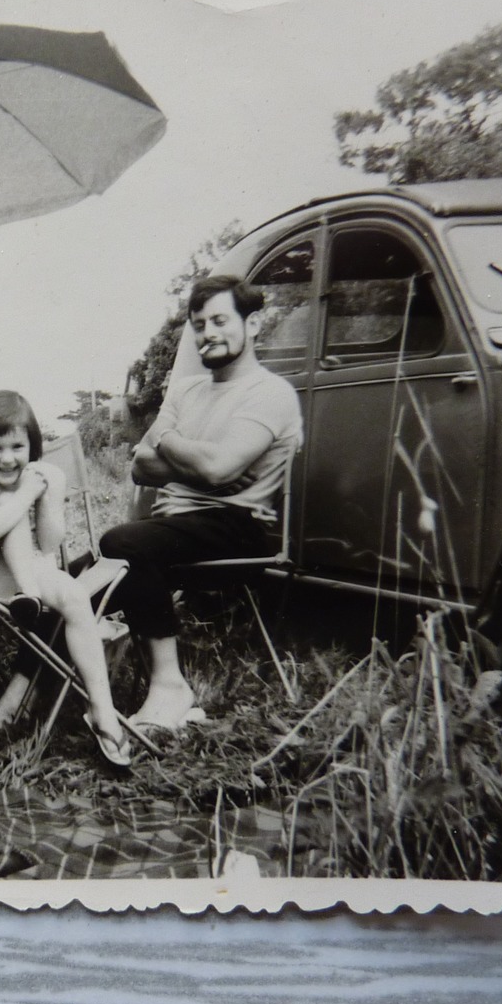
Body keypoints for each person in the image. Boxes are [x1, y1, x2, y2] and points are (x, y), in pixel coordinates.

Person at [98, 274, 301, 736]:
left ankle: (170, 686)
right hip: (170, 529)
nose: (207, 333)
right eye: (198, 324)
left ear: (253, 323)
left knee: (124, 544)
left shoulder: (271, 393)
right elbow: (141, 468)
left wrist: (168, 440)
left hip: (237, 527)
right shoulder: (188, 390)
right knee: (77, 574)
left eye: (219, 321)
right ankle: (21, 701)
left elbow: (216, 469)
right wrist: (196, 456)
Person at [0, 391, 131, 767]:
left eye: (17, 446)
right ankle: (30, 595)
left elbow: (51, 542)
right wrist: (22, 499)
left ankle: (102, 709)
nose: (7, 458)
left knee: (75, 598)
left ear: (32, 445)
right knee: (10, 512)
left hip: (36, 574)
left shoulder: (43, 476)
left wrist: (48, 492)